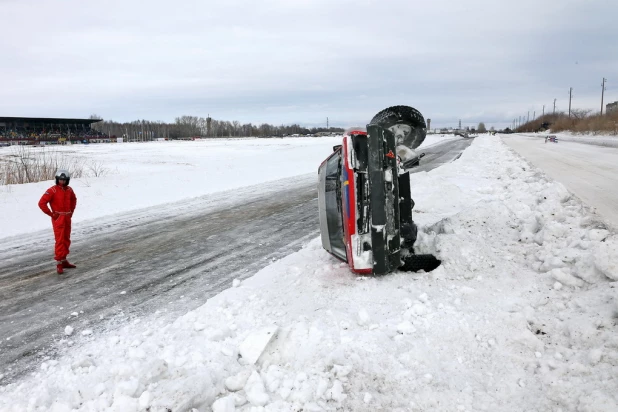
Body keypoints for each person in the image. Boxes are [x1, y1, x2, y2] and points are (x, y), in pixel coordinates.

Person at [38, 169, 77, 274]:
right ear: (57, 179)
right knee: (59, 240)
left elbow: (74, 200)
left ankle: (64, 260)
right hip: (58, 218)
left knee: (66, 239)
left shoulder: (69, 190)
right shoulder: (52, 190)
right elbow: (41, 203)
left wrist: (71, 211)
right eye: (60, 180)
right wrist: (52, 214)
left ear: (67, 180)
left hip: (67, 217)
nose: (62, 182)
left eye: (64, 180)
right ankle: (59, 263)